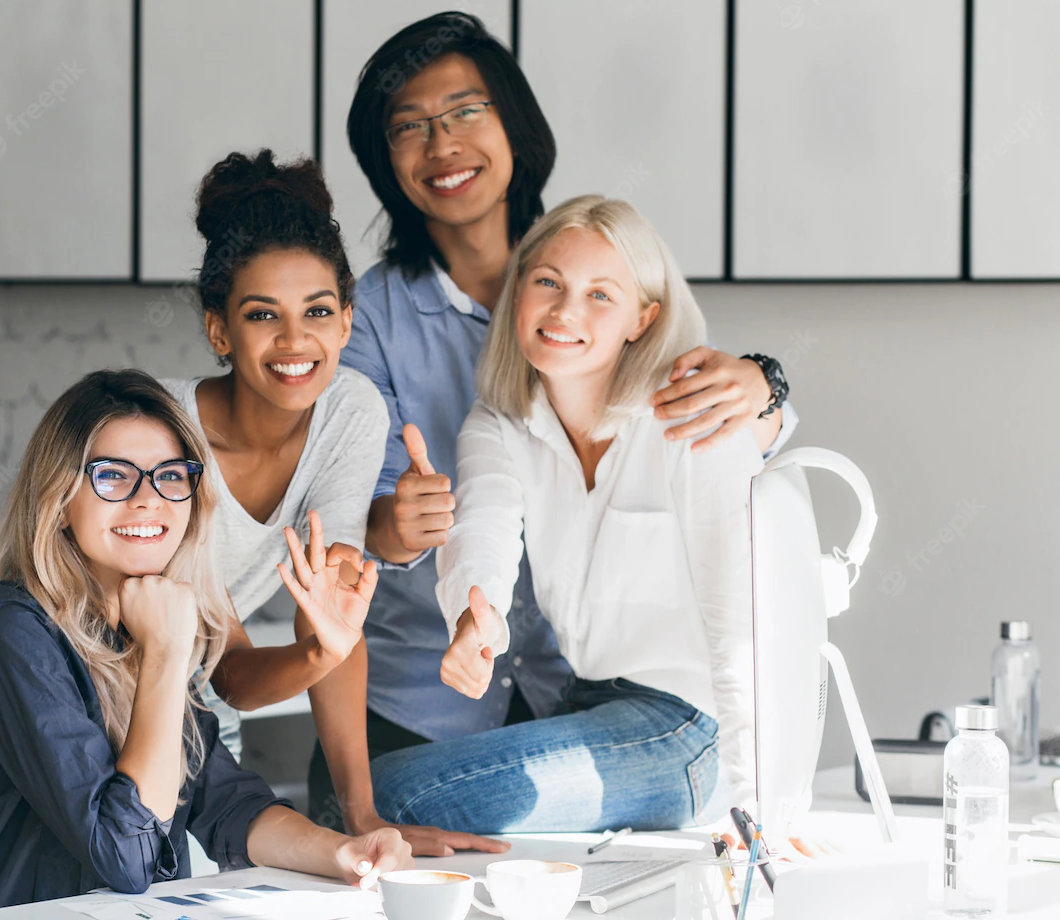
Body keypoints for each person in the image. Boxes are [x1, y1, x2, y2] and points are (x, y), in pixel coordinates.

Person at [310, 11, 796, 829]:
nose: (443, 144)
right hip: (432, 699)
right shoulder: (383, 334)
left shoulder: (605, 278)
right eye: (410, 128)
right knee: (361, 818)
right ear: (384, 162)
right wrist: (417, 552)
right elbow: (441, 523)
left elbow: (726, 461)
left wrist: (768, 391)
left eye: (466, 111)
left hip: (611, 705)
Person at [0, 370, 410, 920]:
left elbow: (225, 801)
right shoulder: (14, 630)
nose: (147, 500)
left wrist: (343, 852)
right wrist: (164, 653)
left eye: (169, 476)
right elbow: (126, 855)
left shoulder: (142, 619)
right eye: (113, 477)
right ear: (59, 501)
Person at [372, 195, 760, 831]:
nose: (564, 311)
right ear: (519, 290)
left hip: (693, 730)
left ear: (643, 317)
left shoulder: (694, 421)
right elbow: (483, 532)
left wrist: (755, 804)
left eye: (600, 295)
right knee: (367, 788)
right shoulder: (499, 422)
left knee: (398, 794)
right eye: (548, 282)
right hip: (588, 703)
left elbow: (742, 622)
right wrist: (476, 623)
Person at [159, 149, 503, 857]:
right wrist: (321, 645)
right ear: (219, 329)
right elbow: (233, 669)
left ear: (347, 322)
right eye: (263, 315)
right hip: (75, 708)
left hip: (194, 726)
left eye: (318, 311)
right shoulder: (160, 437)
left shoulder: (347, 410)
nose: (295, 341)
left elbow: (336, 612)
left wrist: (363, 814)